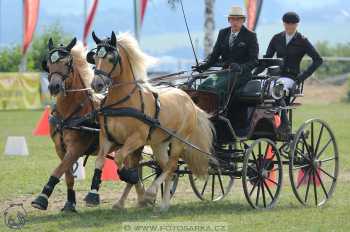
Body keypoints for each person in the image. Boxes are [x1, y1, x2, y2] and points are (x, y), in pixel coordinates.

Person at [196, 5, 259, 131]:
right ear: (229, 20)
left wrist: (240, 67)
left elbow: (254, 61)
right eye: (232, 19)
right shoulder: (223, 33)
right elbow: (214, 55)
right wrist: (203, 66)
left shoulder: (250, 36)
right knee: (203, 86)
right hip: (225, 72)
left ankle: (217, 117)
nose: (235, 22)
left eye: (238, 19)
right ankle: (202, 116)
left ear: (243, 20)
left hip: (242, 74)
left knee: (216, 89)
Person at [264, 11, 323, 131]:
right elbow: (267, 59)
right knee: (262, 88)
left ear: (297, 25)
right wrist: (254, 73)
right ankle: (268, 121)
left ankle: (285, 123)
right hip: (275, 75)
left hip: (291, 77)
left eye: (293, 24)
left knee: (278, 88)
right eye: (287, 23)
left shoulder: (302, 41)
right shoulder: (276, 38)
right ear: (283, 23)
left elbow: (318, 60)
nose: (290, 26)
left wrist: (301, 78)